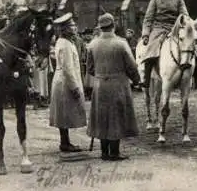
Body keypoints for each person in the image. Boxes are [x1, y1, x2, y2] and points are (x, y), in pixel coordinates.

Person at [86, 13, 140, 161]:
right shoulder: (121, 43)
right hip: (118, 85)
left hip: (100, 85)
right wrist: (136, 80)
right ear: (113, 26)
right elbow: (132, 66)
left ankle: (104, 152)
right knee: (116, 118)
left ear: (101, 27)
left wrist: (100, 74)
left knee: (102, 117)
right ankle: (114, 152)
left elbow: (89, 69)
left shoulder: (92, 44)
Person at [141, 0, 197, 89]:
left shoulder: (178, 0)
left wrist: (191, 25)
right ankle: (146, 78)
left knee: (193, 48)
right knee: (151, 49)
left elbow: (184, 15)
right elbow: (148, 18)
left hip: (175, 28)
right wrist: (146, 34)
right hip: (159, 28)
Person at [49, 13, 86, 153]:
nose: (75, 28)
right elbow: (68, 68)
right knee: (64, 113)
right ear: (65, 29)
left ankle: (65, 142)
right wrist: (74, 87)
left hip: (63, 80)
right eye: (72, 26)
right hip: (65, 82)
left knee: (64, 113)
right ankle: (64, 143)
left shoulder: (66, 42)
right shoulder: (64, 44)